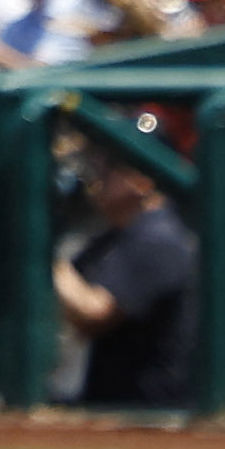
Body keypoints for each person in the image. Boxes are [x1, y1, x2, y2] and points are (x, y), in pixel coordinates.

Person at [52, 139, 194, 409]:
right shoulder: (113, 237)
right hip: (113, 403)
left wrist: (40, 253)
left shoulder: (157, 236)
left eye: (108, 167)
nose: (96, 176)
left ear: (142, 180)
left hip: (155, 416)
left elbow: (92, 312)